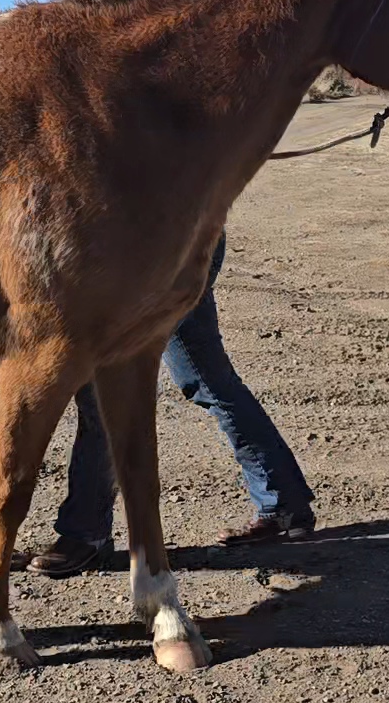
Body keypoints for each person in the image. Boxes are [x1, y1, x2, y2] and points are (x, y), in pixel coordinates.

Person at [25, 232, 317, 576]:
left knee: (104, 396)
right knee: (209, 380)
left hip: (153, 254)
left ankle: (86, 534)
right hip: (178, 243)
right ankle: (284, 501)